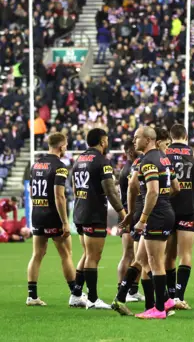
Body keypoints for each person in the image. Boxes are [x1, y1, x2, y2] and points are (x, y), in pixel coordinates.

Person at [112, 126, 179, 319]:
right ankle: (161, 300)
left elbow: (152, 192)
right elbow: (175, 187)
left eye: (136, 137)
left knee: (155, 263)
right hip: (164, 212)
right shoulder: (164, 159)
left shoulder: (148, 161)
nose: (134, 141)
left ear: (148, 139)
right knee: (141, 259)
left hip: (155, 215)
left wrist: (141, 219)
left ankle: (158, 309)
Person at [26, 133, 83, 307]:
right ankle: (75, 294)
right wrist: (65, 222)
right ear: (62, 146)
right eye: (65, 145)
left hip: (37, 213)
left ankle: (32, 296)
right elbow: (59, 196)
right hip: (53, 215)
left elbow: (31, 190)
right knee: (66, 254)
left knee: (37, 254)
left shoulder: (36, 165)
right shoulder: (60, 166)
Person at [72, 128, 127, 310]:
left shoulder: (79, 159)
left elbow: (74, 187)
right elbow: (110, 191)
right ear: (103, 141)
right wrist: (123, 214)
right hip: (94, 213)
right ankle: (94, 299)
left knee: (87, 254)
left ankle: (76, 295)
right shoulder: (102, 161)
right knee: (94, 256)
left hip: (80, 211)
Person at [164, 124, 194, 309]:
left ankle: (169, 296)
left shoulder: (164, 154)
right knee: (185, 254)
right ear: (185, 136)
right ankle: (179, 296)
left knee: (167, 255)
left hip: (167, 208)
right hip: (188, 208)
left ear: (171, 137)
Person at [116, 139, 144, 303]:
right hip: (131, 214)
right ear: (129, 150)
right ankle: (124, 290)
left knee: (132, 254)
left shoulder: (126, 168)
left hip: (128, 214)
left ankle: (130, 290)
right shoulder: (131, 168)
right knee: (130, 254)